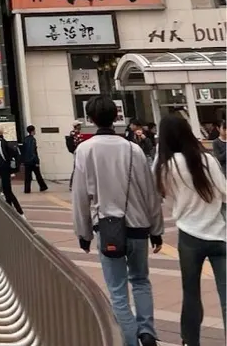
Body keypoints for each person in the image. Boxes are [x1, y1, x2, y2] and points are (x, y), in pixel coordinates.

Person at [72, 95, 163, 346]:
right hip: (139, 226)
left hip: (108, 228)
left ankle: (130, 340)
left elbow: (80, 195)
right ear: (116, 117)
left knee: (118, 291)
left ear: (91, 119)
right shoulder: (133, 149)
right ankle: (147, 332)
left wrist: (83, 233)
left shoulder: (85, 150)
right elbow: (150, 193)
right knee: (141, 280)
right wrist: (156, 229)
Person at [154, 113, 226, 345]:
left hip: (188, 236)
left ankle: (190, 341)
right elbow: (225, 193)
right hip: (219, 234)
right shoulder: (207, 160)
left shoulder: (164, 167)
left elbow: (168, 202)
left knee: (191, 293)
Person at [0, 123, 23, 215]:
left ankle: (20, 212)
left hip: (4, 169)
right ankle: (11, 211)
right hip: (6, 169)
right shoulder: (4, 142)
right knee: (7, 191)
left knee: (8, 191)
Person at [21, 124, 48, 193]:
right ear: (32, 131)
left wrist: (23, 160)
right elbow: (33, 151)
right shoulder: (32, 140)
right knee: (38, 174)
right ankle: (43, 186)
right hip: (32, 161)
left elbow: (23, 151)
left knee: (27, 176)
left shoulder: (25, 139)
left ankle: (27, 189)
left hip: (27, 160)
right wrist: (36, 161)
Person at [66, 120, 83, 189]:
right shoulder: (74, 133)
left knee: (78, 167)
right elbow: (77, 143)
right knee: (76, 168)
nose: (80, 126)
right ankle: (72, 184)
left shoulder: (77, 133)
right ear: (76, 126)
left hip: (79, 152)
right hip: (77, 152)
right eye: (79, 125)